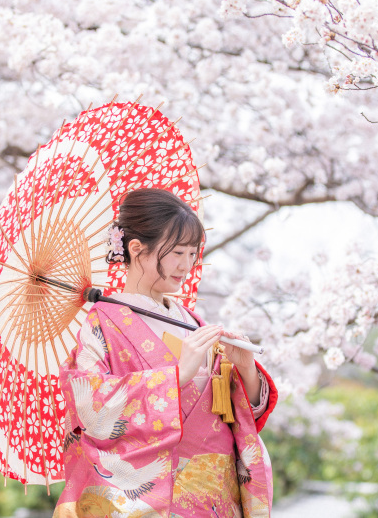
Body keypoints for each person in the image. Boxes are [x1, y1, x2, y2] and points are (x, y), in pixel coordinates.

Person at [53, 188, 278, 518]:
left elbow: (231, 413)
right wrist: (175, 378)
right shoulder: (103, 323)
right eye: (177, 253)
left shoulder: (193, 321)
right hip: (153, 497)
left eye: (192, 253)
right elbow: (90, 407)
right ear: (137, 249)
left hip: (216, 499)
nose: (186, 265)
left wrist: (245, 372)